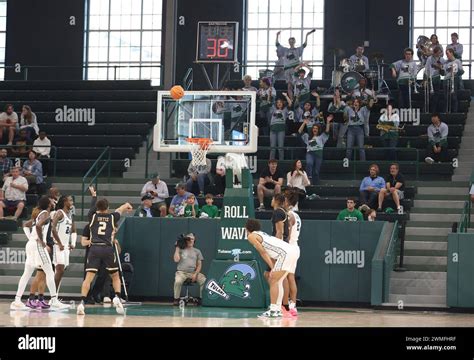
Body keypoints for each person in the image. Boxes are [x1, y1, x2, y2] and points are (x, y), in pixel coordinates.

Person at [10, 196, 69, 310]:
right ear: (48, 204)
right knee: (50, 273)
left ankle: (17, 300)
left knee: (27, 273)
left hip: (31, 245)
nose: (53, 201)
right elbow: (37, 226)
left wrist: (31, 238)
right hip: (37, 246)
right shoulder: (45, 214)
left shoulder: (39, 214)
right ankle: (54, 300)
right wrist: (42, 242)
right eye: (51, 200)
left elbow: (25, 225)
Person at [76, 199, 133, 315]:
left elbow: (92, 210)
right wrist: (126, 204)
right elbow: (120, 210)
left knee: (88, 278)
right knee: (115, 276)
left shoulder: (92, 217)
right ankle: (117, 296)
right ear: (107, 207)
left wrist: (93, 197)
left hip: (95, 248)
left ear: (97, 208)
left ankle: (82, 302)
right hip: (107, 249)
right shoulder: (112, 217)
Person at [245, 218, 299, 318]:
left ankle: (273, 310)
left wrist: (272, 267)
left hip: (285, 254)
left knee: (273, 280)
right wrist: (273, 266)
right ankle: (277, 310)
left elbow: (263, 252)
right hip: (292, 251)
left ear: (247, 228)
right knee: (278, 281)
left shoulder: (251, 236)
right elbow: (271, 253)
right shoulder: (262, 234)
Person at [50, 195, 76, 291]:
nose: (72, 202)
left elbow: (73, 230)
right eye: (70, 200)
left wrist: (73, 243)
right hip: (58, 246)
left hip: (65, 247)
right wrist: (60, 243)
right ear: (65, 202)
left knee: (61, 272)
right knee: (59, 270)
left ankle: (55, 296)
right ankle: (53, 298)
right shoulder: (59, 213)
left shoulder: (70, 215)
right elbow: (53, 229)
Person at [173, 233, 206, 306]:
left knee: (204, 280)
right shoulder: (181, 249)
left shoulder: (197, 251)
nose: (190, 241)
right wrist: (177, 247)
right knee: (178, 281)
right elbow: (176, 260)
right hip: (181, 272)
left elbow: (199, 264)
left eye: (192, 239)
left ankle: (201, 299)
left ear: (194, 241)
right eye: (188, 239)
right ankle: (176, 299)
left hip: (193, 273)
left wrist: (195, 274)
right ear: (186, 240)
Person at [298, 115, 333, 185]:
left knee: (316, 171)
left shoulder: (321, 137)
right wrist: (304, 123)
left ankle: (316, 184)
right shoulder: (308, 136)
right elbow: (299, 131)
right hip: (310, 153)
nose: (315, 129)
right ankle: (309, 179)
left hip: (319, 154)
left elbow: (327, 131)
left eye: (316, 128)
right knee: (309, 163)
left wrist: (328, 122)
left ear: (318, 130)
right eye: (314, 128)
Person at [285, 190, 301, 316]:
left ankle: (283, 306)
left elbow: (288, 234)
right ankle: (293, 306)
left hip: (289, 246)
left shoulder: (289, 215)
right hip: (295, 247)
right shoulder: (297, 215)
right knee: (290, 277)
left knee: (284, 277)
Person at [269, 94, 292, 160]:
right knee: (272, 148)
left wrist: (286, 96)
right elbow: (269, 101)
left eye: (280, 102)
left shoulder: (285, 110)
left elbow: (290, 103)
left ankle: (281, 161)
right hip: (273, 130)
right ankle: (271, 162)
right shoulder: (273, 109)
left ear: (282, 104)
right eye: (278, 102)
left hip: (281, 130)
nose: (279, 103)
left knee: (280, 148)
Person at [424, 46, 446, 113]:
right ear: (434, 52)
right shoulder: (429, 59)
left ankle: (435, 110)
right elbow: (426, 69)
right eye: (437, 53)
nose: (439, 54)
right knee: (430, 96)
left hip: (437, 79)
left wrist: (440, 68)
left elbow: (443, 73)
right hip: (430, 78)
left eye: (440, 53)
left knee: (436, 96)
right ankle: (429, 110)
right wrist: (425, 79)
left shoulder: (442, 60)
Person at [443, 48, 463, 113]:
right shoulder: (446, 62)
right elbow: (443, 73)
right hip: (446, 80)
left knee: (454, 96)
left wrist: (455, 70)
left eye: (447, 53)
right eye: (446, 54)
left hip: (454, 79)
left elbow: (461, 71)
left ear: (451, 53)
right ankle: (447, 111)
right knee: (446, 97)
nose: (447, 55)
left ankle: (454, 112)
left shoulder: (457, 61)